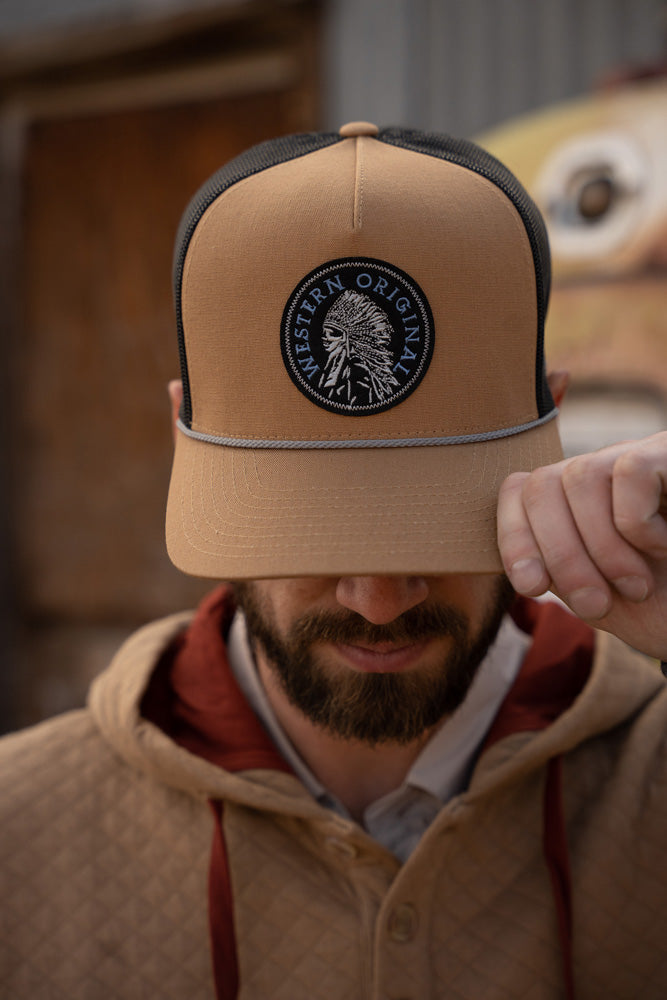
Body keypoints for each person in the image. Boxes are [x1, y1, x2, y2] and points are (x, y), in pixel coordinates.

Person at [1, 121, 666, 1000]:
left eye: (436, 527)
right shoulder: (19, 835)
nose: (378, 599)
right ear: (183, 435)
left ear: (551, 418)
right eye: (309, 530)